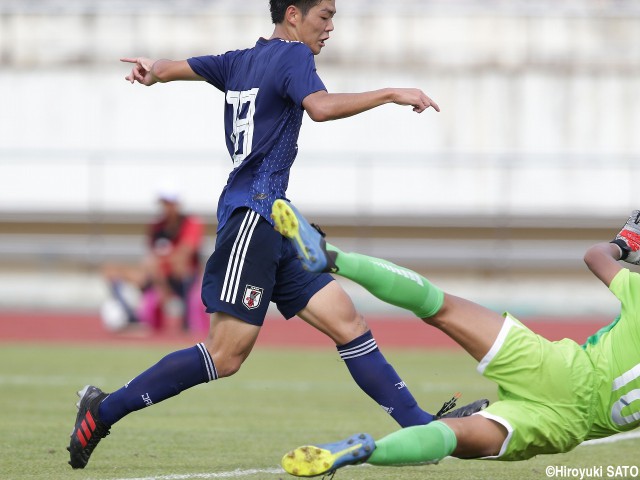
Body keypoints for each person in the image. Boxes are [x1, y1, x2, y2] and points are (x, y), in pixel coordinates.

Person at [67, 0, 487, 469]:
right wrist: (391, 93)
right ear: (293, 14)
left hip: (276, 222)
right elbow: (320, 109)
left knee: (347, 323)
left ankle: (420, 427)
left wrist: (153, 69)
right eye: (324, 16)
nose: (330, 27)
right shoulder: (292, 56)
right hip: (251, 219)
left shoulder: (239, 60)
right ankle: (102, 412)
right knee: (225, 356)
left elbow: (170, 68)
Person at [273, 201, 640, 478]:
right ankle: (370, 450)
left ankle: (333, 258)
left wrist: (623, 245)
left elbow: (595, 257)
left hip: (561, 369)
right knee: (450, 436)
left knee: (438, 306)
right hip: (563, 426)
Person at [100, 189, 208, 334]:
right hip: (158, 277)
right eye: (164, 203)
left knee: (178, 267)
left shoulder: (191, 223)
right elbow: (151, 256)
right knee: (111, 270)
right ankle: (130, 316)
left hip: (184, 279)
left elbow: (185, 254)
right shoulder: (156, 226)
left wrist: (159, 264)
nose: (166, 207)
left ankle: (183, 319)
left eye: (170, 203)